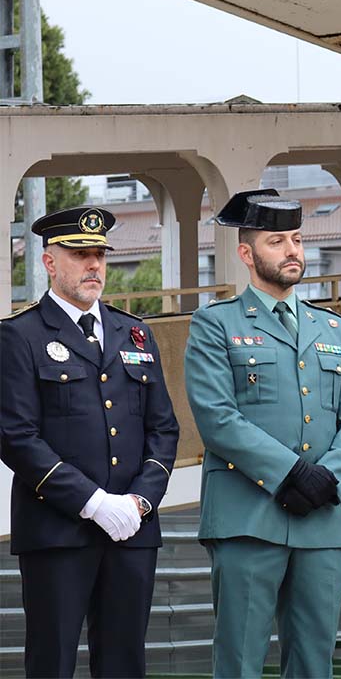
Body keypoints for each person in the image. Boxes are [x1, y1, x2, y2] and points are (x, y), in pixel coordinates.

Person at [184, 189, 341, 678]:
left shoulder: (335, 329)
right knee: (240, 660)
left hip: (321, 519)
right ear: (247, 254)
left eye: (296, 239)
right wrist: (291, 475)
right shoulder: (215, 324)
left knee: (315, 662)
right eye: (276, 241)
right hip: (248, 516)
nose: (292, 251)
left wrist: (326, 479)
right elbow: (217, 418)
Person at [0, 206, 179, 678]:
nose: (94, 265)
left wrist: (140, 501)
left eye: (99, 253)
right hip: (58, 532)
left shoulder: (134, 332)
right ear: (49, 262)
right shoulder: (19, 336)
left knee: (124, 662)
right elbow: (16, 436)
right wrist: (94, 503)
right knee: (52, 661)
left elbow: (163, 430)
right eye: (80, 253)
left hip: (132, 533)